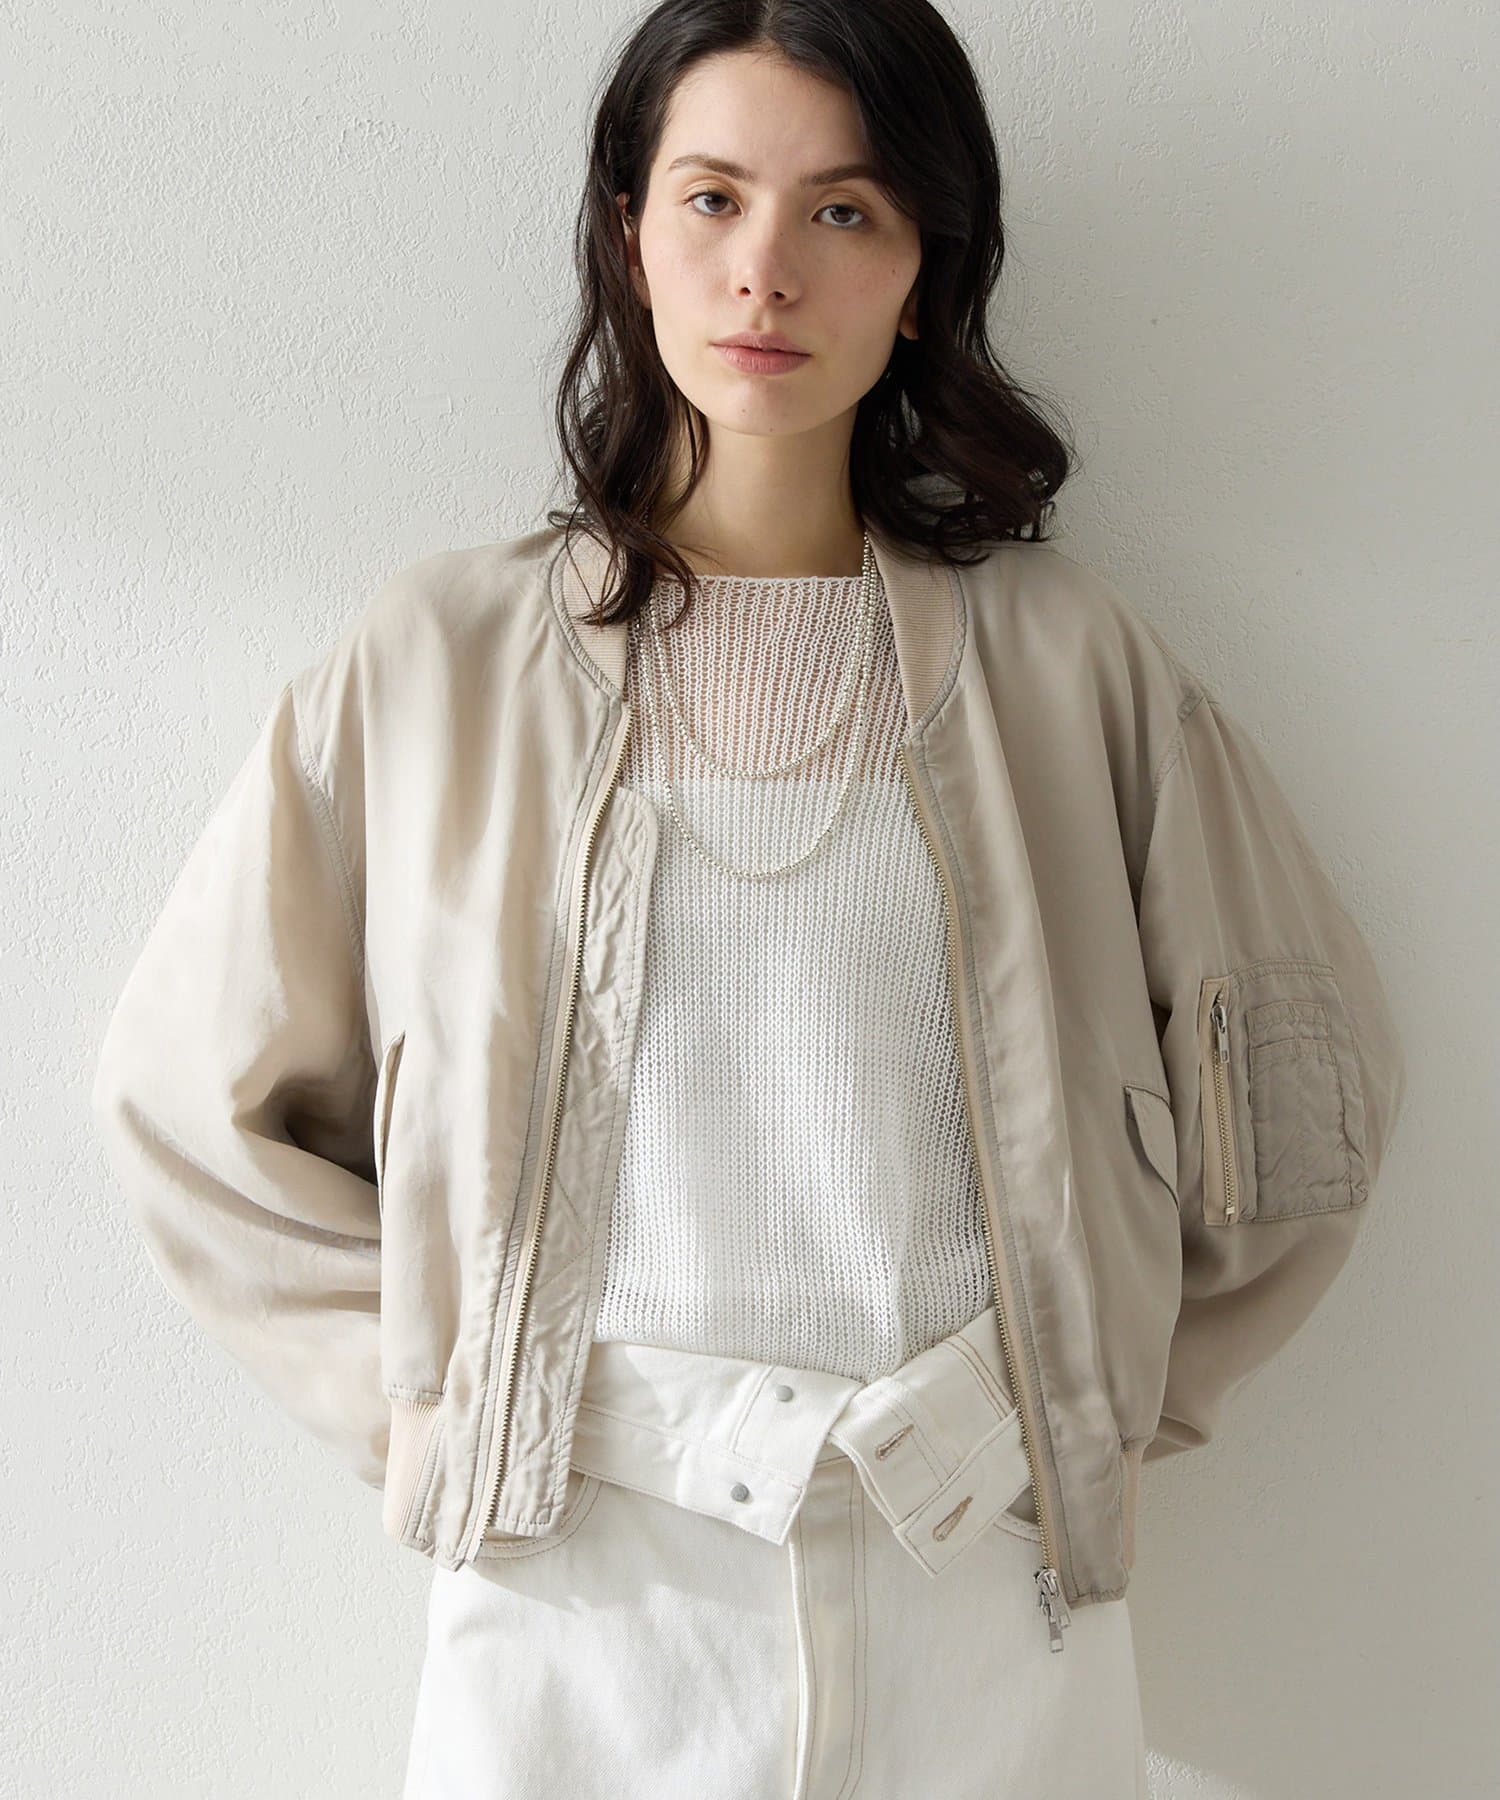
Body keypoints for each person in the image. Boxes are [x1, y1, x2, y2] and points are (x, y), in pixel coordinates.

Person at [89, 2, 1408, 1796]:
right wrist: (433, 1411)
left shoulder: (1065, 660)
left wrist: (1085, 1407)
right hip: (577, 1578)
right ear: (630, 234)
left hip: (978, 1559)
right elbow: (190, 1100)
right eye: (712, 198)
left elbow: (1307, 1092)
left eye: (843, 211)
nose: (765, 269)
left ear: (926, 272)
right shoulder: (437, 663)